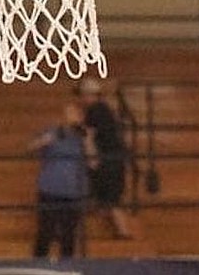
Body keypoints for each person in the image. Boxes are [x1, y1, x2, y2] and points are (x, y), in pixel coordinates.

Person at [28, 100, 95, 259]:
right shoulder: (52, 131)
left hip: (74, 192)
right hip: (50, 190)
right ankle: (37, 267)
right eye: (67, 114)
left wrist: (87, 140)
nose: (70, 118)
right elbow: (30, 148)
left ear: (81, 117)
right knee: (45, 232)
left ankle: (67, 268)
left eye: (74, 114)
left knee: (69, 236)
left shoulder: (85, 136)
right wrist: (47, 140)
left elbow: (94, 163)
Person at [76, 78, 132, 239]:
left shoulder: (95, 111)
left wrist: (92, 158)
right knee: (110, 197)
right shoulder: (105, 110)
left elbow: (89, 136)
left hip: (107, 160)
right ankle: (121, 230)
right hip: (115, 159)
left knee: (109, 198)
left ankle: (122, 231)